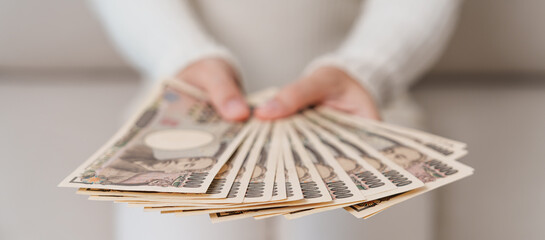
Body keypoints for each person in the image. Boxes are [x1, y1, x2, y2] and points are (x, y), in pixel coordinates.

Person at [89, 0, 461, 239]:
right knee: (180, 226)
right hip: (183, 106)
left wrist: (364, 71)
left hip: (364, 105)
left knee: (338, 224)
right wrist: (183, 57)